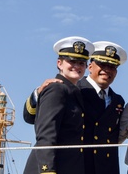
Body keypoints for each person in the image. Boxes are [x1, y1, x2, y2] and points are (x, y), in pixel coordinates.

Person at [23, 41, 127, 174]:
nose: (107, 70)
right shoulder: (70, 89)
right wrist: (38, 93)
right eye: (102, 64)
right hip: (72, 165)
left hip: (102, 167)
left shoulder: (118, 101)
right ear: (90, 66)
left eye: (112, 66)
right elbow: (35, 120)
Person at [24, 36, 94, 174]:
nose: (77, 66)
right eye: (71, 61)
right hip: (49, 168)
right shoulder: (57, 89)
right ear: (59, 63)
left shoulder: (74, 92)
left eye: (81, 63)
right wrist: (47, 170)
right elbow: (46, 133)